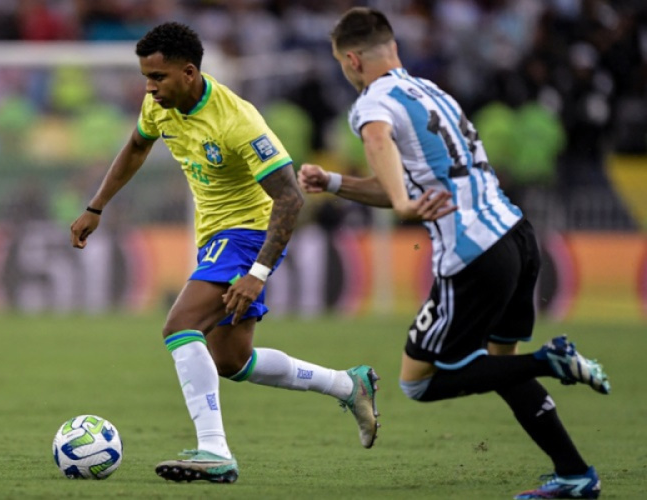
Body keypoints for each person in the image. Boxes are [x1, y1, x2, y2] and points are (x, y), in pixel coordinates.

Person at [297, 8, 610, 500]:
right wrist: (335, 183)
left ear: (352, 59)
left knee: (419, 382)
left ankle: (552, 361)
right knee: (500, 365)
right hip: (516, 236)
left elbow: (381, 148)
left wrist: (401, 203)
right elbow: (413, 182)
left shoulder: (372, 101)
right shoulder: (433, 92)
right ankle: (575, 474)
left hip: (471, 253)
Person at [69, 22, 380, 484]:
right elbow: (136, 146)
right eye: (145, 79)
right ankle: (347, 384)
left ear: (190, 72)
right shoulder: (160, 106)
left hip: (249, 234)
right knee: (232, 360)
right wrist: (97, 206)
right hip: (214, 238)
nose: (149, 89)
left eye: (158, 78)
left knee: (179, 326)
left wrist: (257, 271)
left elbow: (291, 197)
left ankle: (214, 450)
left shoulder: (238, 121)